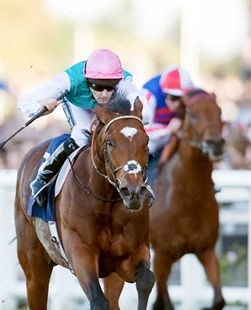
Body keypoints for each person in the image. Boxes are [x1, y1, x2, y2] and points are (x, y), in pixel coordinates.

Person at [17, 48, 151, 206]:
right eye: (98, 86)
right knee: (81, 135)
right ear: (87, 80)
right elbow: (24, 103)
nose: (104, 93)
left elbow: (146, 114)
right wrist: (42, 107)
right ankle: (43, 177)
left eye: (110, 86)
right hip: (78, 105)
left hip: (108, 110)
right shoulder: (69, 80)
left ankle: (140, 181)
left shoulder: (124, 83)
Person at [141, 66, 194, 164]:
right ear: (164, 93)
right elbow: (143, 130)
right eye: (173, 98)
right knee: (149, 145)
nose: (177, 104)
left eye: (181, 98)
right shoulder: (149, 93)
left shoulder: (190, 88)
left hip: (174, 134)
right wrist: (168, 129)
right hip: (153, 138)